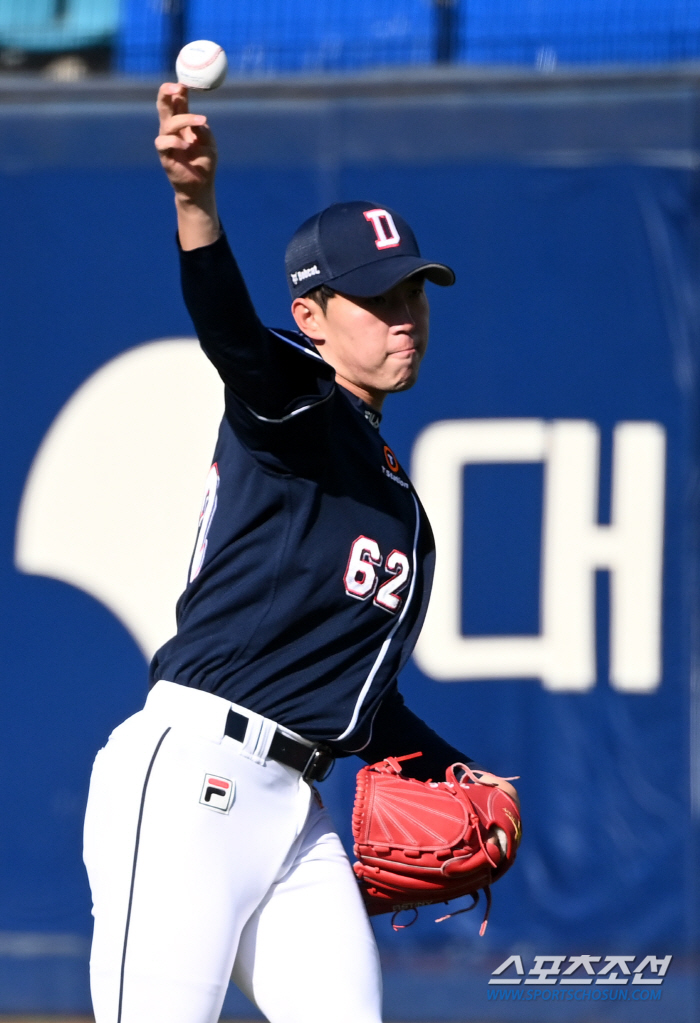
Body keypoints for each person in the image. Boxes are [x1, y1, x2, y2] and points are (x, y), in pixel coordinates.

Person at [82, 82, 519, 1023]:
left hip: (295, 810)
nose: (402, 314)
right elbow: (233, 339)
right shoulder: (296, 401)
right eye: (373, 297)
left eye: (411, 290)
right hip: (189, 780)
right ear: (313, 315)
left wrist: (453, 768)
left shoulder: (394, 497)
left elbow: (360, 691)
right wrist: (196, 206)